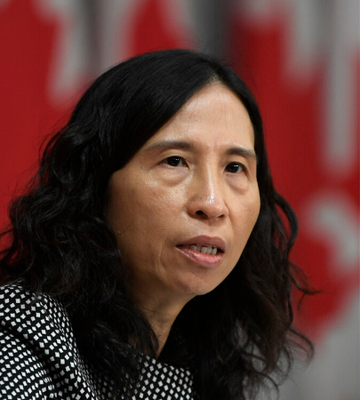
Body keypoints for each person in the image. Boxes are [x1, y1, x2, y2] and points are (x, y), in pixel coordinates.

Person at [0, 49, 313, 400]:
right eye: (175, 161)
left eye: (235, 167)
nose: (212, 204)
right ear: (95, 183)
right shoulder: (19, 340)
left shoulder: (205, 361)